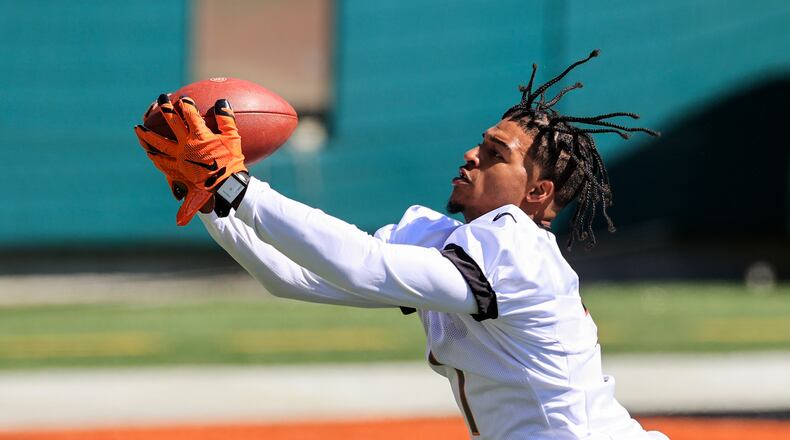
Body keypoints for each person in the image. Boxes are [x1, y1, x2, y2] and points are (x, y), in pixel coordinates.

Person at [134, 50, 668, 439]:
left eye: (494, 153)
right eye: (479, 143)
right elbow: (294, 276)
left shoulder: (519, 250)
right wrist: (213, 202)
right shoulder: (449, 242)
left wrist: (237, 187)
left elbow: (366, 266)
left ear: (538, 191)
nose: (470, 155)